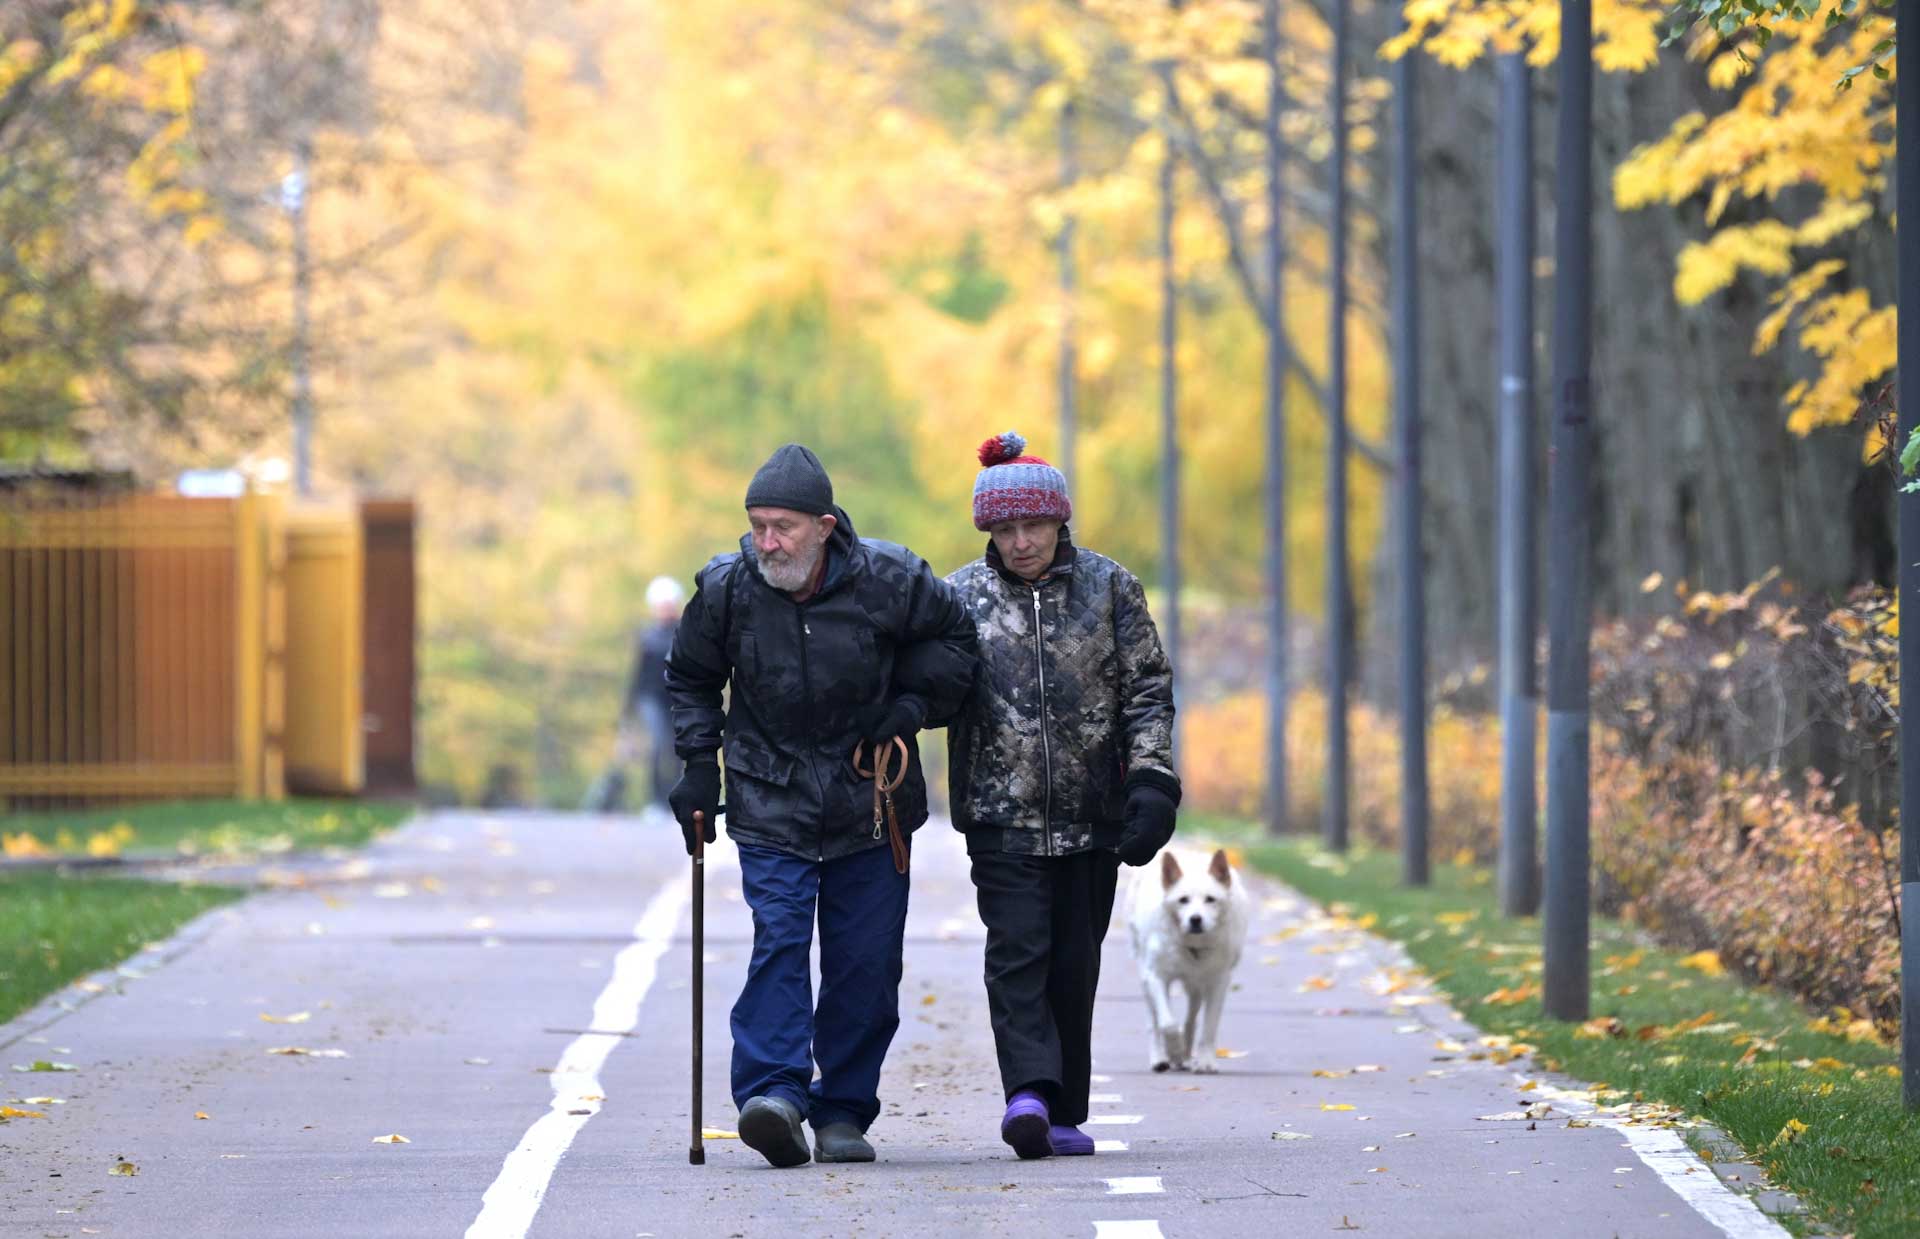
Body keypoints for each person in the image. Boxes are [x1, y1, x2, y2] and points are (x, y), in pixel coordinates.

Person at [665, 443, 976, 1168]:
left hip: (872, 801)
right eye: (757, 525)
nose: (765, 541)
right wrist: (694, 764)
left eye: (781, 527)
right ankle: (773, 1095)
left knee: (865, 963)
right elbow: (689, 676)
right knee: (778, 941)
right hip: (769, 797)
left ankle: (842, 1109)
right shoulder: (728, 587)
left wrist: (910, 704)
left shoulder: (892, 579)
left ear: (825, 525)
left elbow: (958, 641)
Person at [943, 430, 1180, 1160]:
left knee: (1074, 963)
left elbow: (1147, 689)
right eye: (1005, 528)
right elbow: (930, 683)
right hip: (999, 813)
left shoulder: (1111, 588)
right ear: (989, 530)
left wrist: (1150, 780)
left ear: (1059, 521)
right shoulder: (958, 597)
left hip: (1093, 816)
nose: (1020, 542)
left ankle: (1063, 1106)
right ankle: (1029, 1095)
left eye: (1033, 526)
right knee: (1018, 952)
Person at [621, 575, 686, 807]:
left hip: (678, 697)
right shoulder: (646, 636)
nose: (665, 609)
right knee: (659, 744)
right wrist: (627, 712)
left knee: (680, 747)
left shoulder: (686, 632)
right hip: (650, 699)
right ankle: (656, 801)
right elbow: (637, 674)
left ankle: (676, 799)